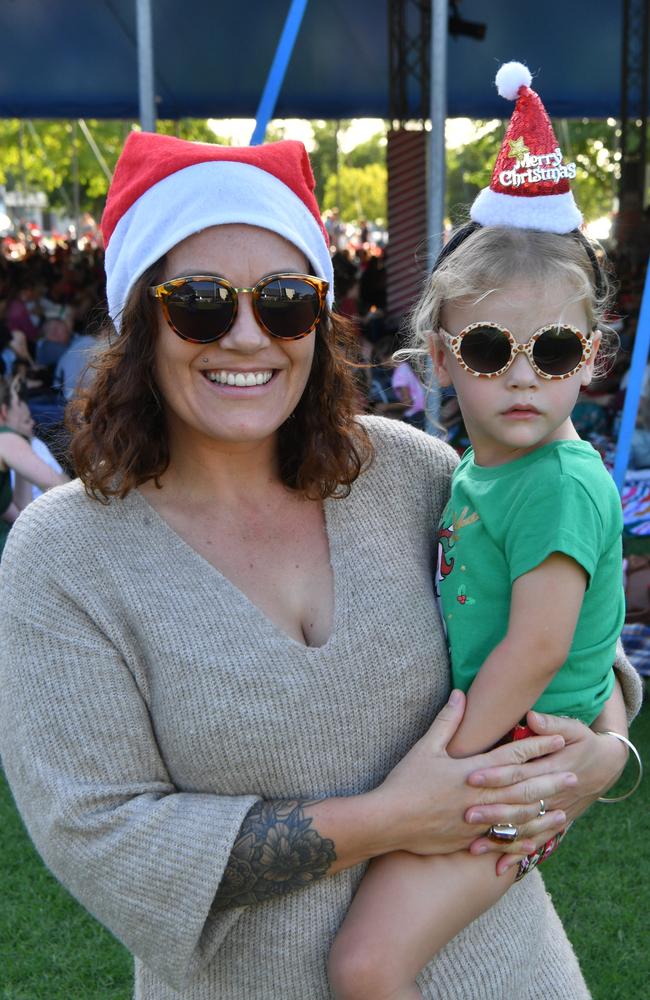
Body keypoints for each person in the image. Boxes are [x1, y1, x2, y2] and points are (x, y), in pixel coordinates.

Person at [0, 132, 642, 1000]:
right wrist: (389, 819)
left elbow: (569, 634)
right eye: (197, 302)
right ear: (140, 319)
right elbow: (103, 837)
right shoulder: (65, 558)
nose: (244, 335)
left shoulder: (407, 471)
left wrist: (607, 749)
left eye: (284, 301)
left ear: (319, 317)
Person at [328, 63, 641, 1000]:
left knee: (367, 964)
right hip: (522, 749)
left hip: (513, 759)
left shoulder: (554, 483)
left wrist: (450, 763)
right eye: (489, 350)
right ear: (439, 360)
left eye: (552, 352)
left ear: (590, 357)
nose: (521, 378)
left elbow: (541, 643)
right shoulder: (485, 470)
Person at [0, 375, 68, 557]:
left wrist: (25, 443)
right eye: (18, 404)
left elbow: (20, 515)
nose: (24, 409)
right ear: (4, 411)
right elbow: (61, 488)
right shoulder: (4, 437)